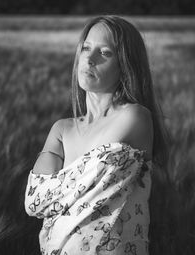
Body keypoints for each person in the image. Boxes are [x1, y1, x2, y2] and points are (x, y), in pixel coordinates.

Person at [25, 15, 169, 255]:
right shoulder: (62, 128)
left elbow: (53, 193)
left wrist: (58, 184)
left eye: (105, 53)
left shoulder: (134, 117)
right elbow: (35, 202)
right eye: (86, 48)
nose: (89, 59)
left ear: (126, 65)